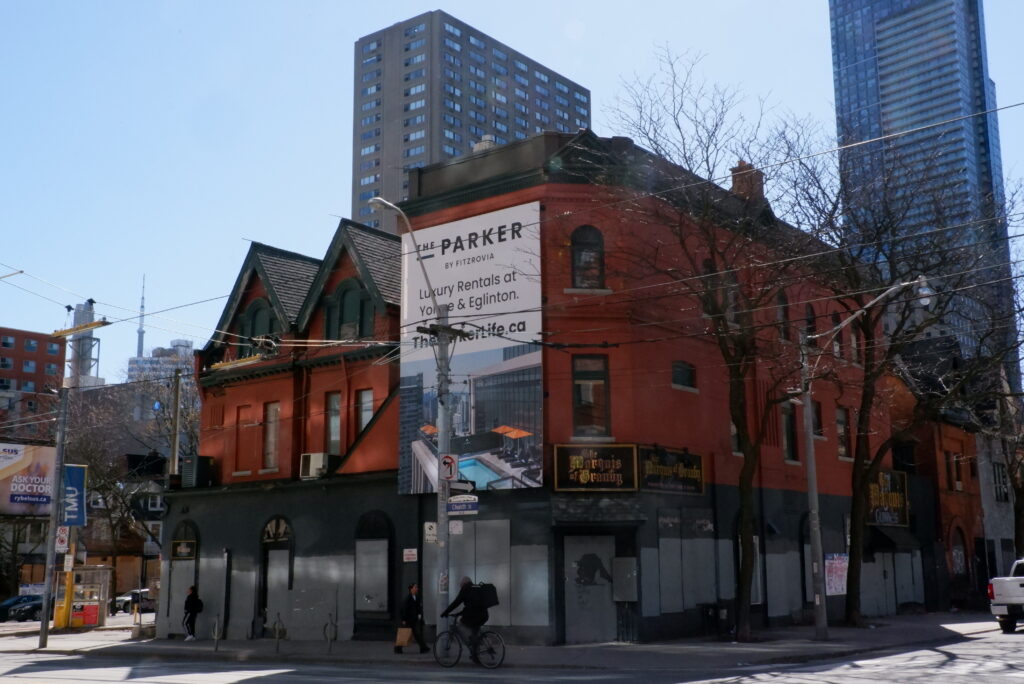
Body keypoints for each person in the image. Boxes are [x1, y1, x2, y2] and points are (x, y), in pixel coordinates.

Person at [441, 577, 488, 659]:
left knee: (461, 624)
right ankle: (475, 652)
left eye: (461, 585)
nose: (461, 587)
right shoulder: (477, 588)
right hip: (484, 615)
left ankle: (473, 645)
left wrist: (446, 612)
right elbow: (471, 606)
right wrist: (460, 613)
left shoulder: (465, 589)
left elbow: (456, 602)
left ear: (463, 584)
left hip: (475, 616)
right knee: (474, 632)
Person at [396, 583, 429, 654]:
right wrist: (403, 619)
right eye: (415, 587)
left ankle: (423, 648)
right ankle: (398, 648)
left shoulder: (416, 597)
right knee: (404, 634)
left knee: (416, 634)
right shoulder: (408, 598)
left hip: (413, 619)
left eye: (417, 587)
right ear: (411, 589)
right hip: (408, 619)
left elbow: (418, 607)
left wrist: (419, 614)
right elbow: (404, 609)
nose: (417, 589)